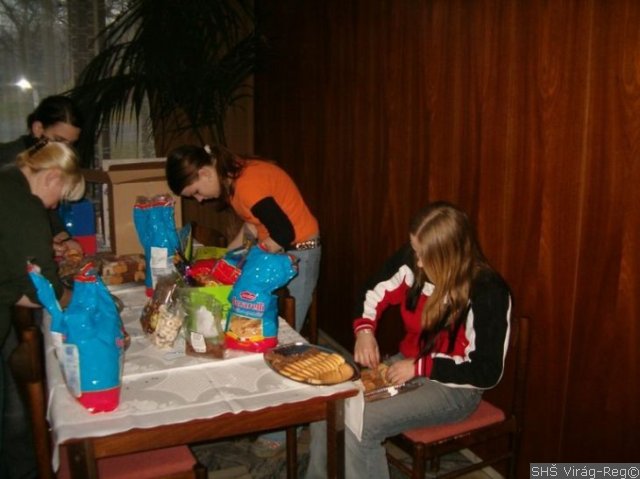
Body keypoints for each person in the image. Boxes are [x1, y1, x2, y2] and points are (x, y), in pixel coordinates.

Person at [305, 201, 512, 479]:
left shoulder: (488, 291)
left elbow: (486, 371)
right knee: (328, 406)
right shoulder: (414, 259)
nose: (417, 262)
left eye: (423, 255)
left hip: (454, 387)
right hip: (407, 364)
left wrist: (420, 366)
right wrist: (364, 331)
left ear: (448, 255)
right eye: (415, 250)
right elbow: (372, 290)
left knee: (360, 423)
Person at [166, 143, 321, 458]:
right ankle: (266, 411)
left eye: (196, 192)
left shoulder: (247, 182)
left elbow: (283, 231)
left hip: (298, 253)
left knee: (285, 339)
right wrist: (229, 257)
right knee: (262, 333)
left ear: (205, 172)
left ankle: (286, 429)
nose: (200, 199)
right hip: (282, 251)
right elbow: (253, 225)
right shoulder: (233, 178)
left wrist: (253, 262)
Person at [0, 139, 84, 478]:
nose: (55, 206)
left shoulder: (6, 181)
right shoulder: (25, 204)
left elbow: (12, 279)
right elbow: (44, 291)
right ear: (52, 177)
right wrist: (79, 298)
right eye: (60, 196)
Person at [0, 94, 84, 257]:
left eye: (71, 144)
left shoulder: (46, 163)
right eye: (59, 140)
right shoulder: (7, 162)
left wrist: (62, 237)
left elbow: (46, 205)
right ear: (38, 129)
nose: (65, 150)